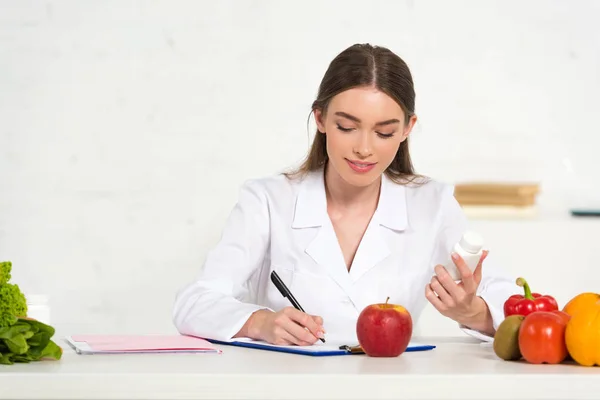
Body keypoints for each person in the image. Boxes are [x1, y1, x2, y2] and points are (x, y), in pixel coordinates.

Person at [173, 43, 518, 346]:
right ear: (320, 119)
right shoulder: (267, 200)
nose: (363, 149)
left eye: (384, 132)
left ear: (407, 129)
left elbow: (513, 304)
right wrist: (259, 322)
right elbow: (195, 302)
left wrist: (472, 312)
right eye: (347, 127)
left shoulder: (433, 203)